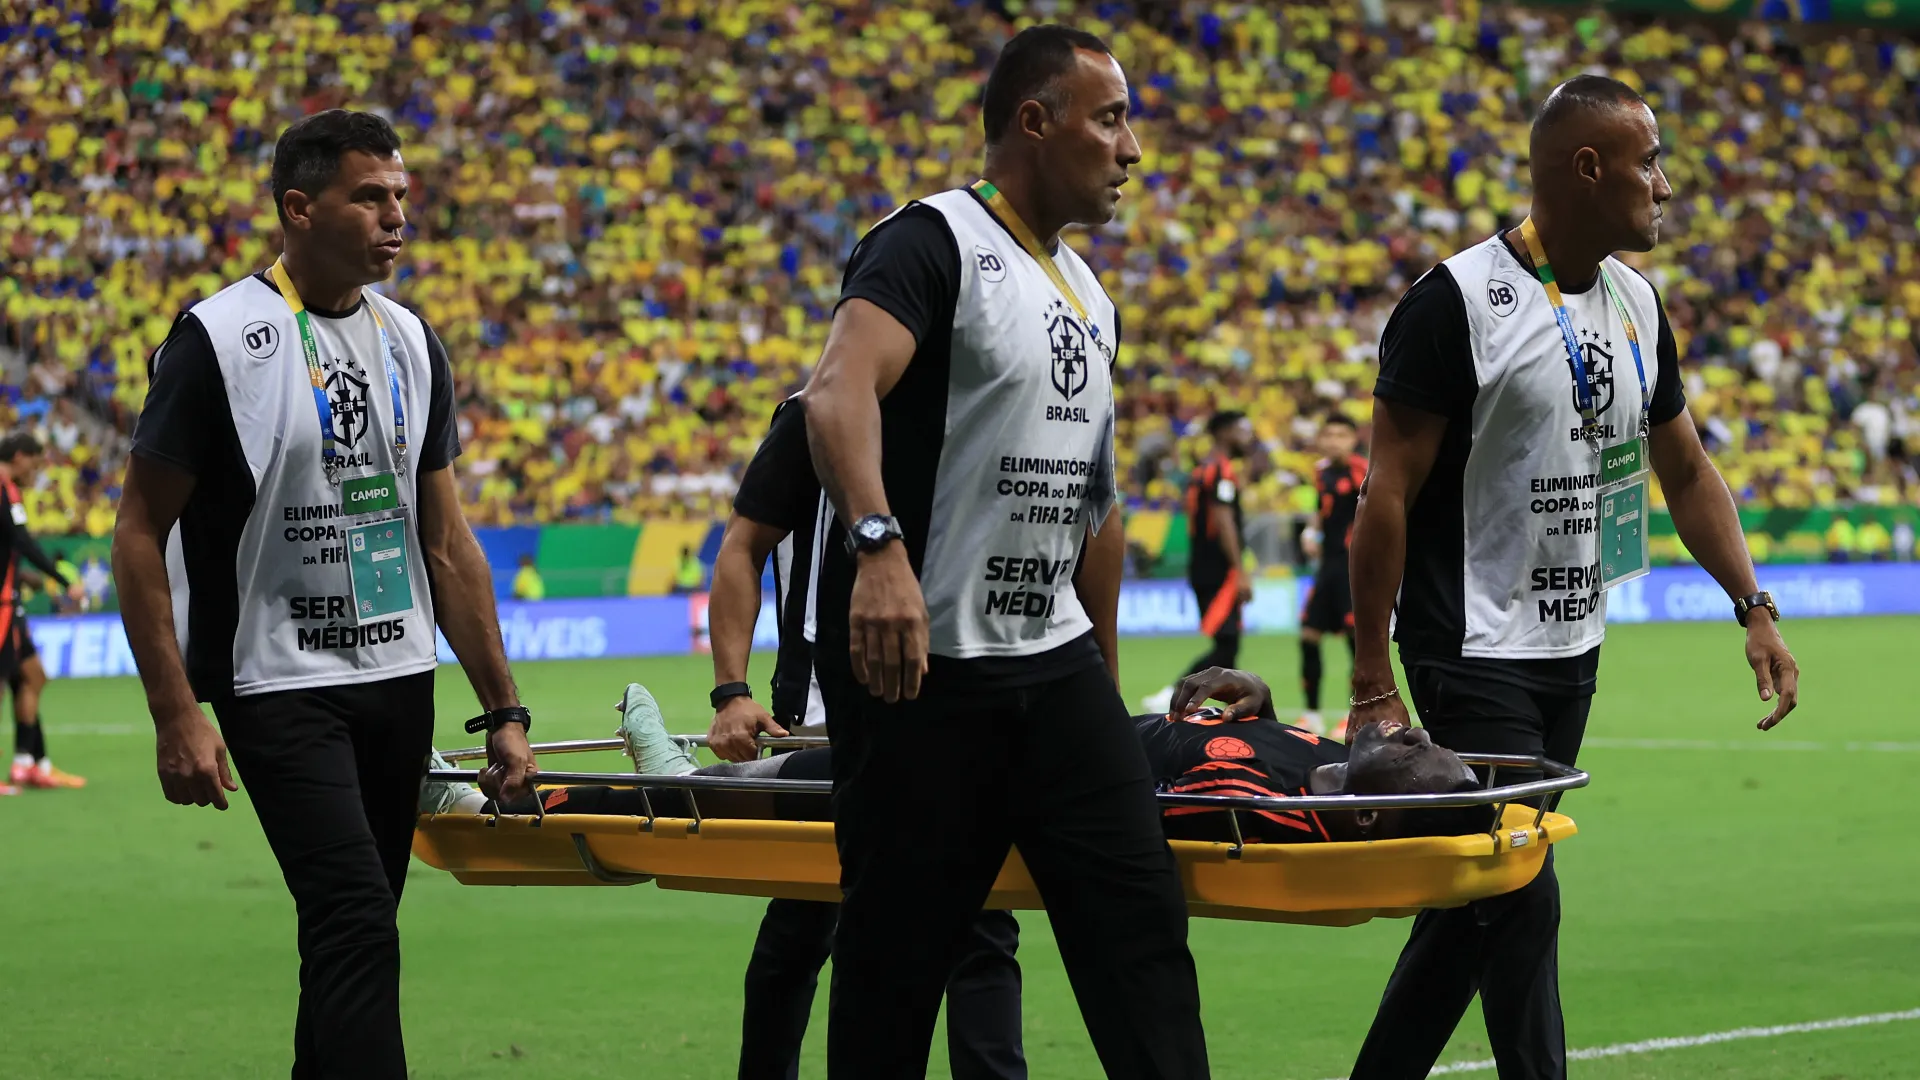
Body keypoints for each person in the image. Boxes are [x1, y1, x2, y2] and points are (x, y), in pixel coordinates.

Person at [1343, 77, 1800, 1080]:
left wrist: (1753, 606)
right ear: (1587, 169)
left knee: (1473, 904)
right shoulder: (1456, 302)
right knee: (1522, 884)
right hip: (1469, 648)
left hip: (1570, 651)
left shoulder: (1637, 303)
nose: (1665, 185)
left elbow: (1683, 468)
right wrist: (1373, 679)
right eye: (1648, 161)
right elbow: (1383, 496)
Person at [800, 24, 1210, 1079]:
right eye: (1111, 118)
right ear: (1036, 120)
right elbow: (838, 390)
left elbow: (1095, 510)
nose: (1131, 150)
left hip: (1054, 668)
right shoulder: (931, 242)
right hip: (925, 678)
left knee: (1142, 936)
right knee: (894, 970)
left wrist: (1107, 688)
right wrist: (878, 546)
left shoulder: (1091, 294)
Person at [110, 109, 539, 1080]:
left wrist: (503, 708)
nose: (397, 218)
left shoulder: (413, 341)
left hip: (397, 672)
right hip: (276, 681)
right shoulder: (220, 341)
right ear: (299, 208)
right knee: (353, 917)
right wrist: (176, 713)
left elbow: (447, 543)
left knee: (351, 933)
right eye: (370, 197)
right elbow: (138, 531)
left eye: (402, 198)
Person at [705, 398, 1026, 1080]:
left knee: (983, 928)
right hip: (820, 719)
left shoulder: (979, 400)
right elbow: (743, 548)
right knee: (802, 925)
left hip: (954, 712)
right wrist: (731, 691)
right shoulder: (812, 413)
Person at [434, 664, 1492, 848]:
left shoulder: (1287, 781)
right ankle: (697, 775)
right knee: (857, 750)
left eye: (1408, 746)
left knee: (844, 774)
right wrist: (1236, 702)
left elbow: (1185, 802)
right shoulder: (1304, 752)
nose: (1405, 729)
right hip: (1078, 729)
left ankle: (681, 785)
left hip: (1040, 763)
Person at [1141, 411, 1256, 716]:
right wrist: (1239, 569)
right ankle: (1174, 694)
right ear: (1224, 433)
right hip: (1216, 569)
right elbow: (1223, 520)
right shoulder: (1220, 471)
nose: (1248, 436)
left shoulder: (1206, 469)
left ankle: (1225, 710)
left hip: (1207, 566)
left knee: (1229, 644)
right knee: (1227, 642)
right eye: (1242, 429)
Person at [0, 432, 86, 792]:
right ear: (20, 457)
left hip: (11, 598)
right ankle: (31, 764)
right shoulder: (4, 487)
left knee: (32, 677)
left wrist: (27, 577)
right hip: (1, 603)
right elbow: (19, 539)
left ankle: (29, 763)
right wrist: (62, 580)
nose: (35, 473)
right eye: (34, 465)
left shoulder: (9, 490)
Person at [1298, 414, 1366, 736]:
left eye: (1341, 434)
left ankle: (1357, 711)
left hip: (1353, 569)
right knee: (1308, 636)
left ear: (1353, 439)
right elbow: (1320, 510)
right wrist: (1310, 533)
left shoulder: (1362, 471)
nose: (1334, 440)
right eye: (1329, 434)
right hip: (1327, 568)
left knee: (1356, 643)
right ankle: (1311, 714)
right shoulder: (1321, 473)